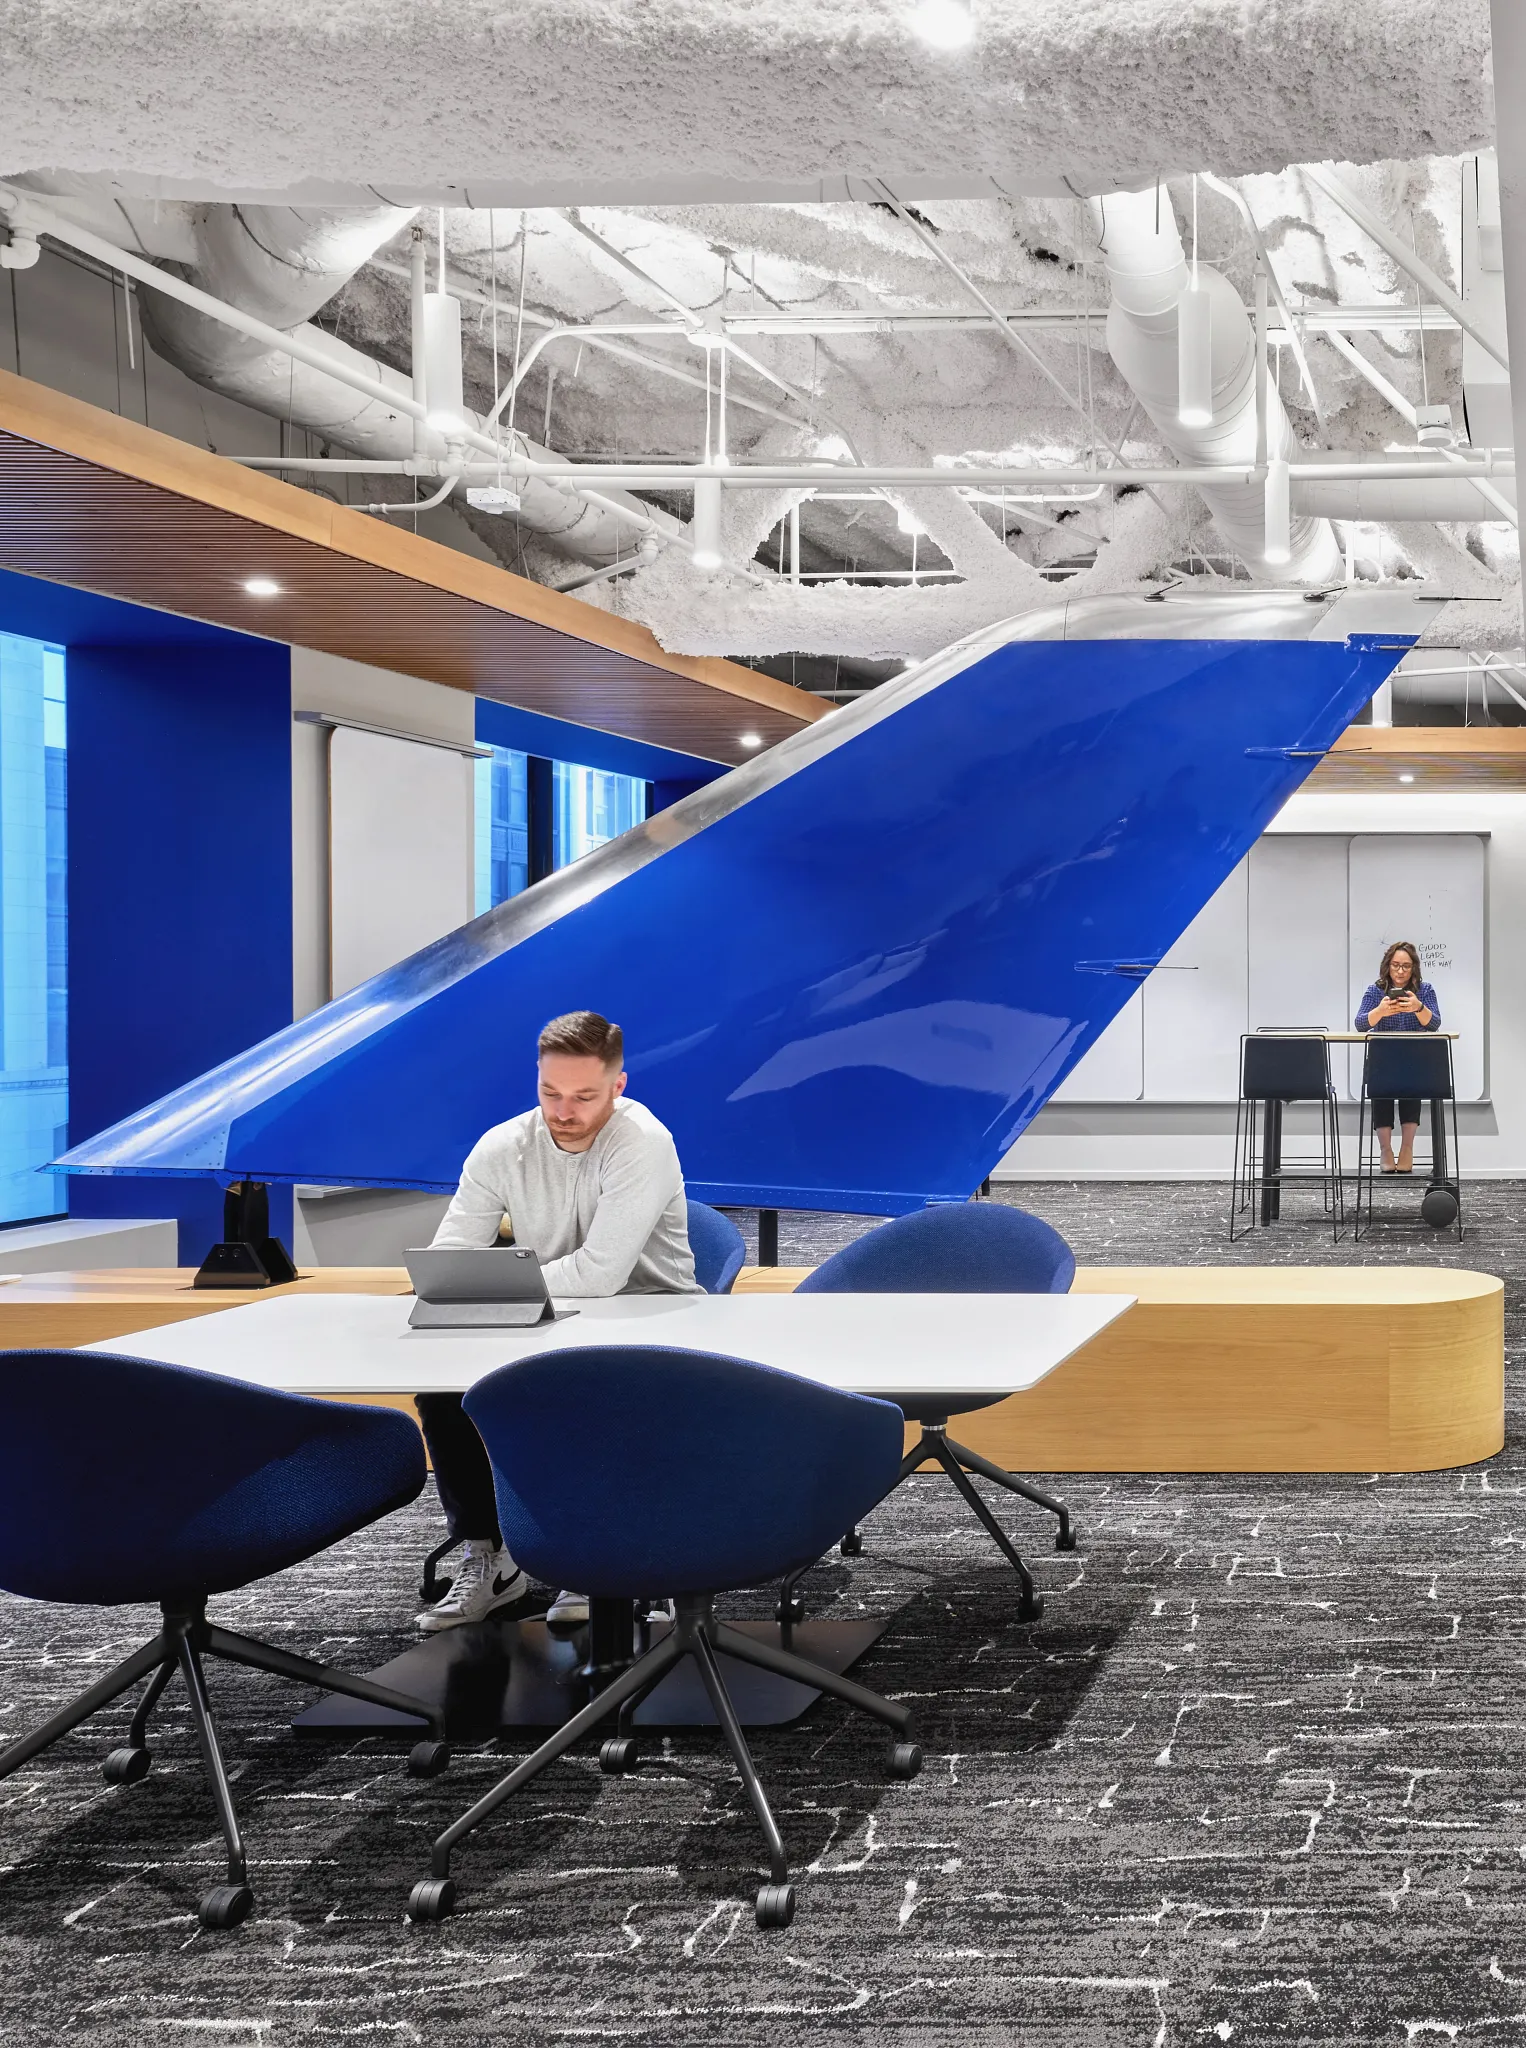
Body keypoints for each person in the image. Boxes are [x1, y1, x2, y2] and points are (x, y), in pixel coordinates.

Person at [414, 1009, 699, 1633]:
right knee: (443, 1386)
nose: (563, 1110)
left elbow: (601, 1276)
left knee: (589, 1388)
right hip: (543, 1314)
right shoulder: (501, 1146)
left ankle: (595, 1558)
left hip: (650, 1314)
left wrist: (495, 1284)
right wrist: (472, 1286)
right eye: (550, 1092)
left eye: (583, 1096)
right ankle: (491, 1558)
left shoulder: (642, 1142)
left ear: (618, 1087)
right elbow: (450, 1260)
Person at [1354, 940, 1441, 1175]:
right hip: (1383, 1058)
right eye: (1395, 966)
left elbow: (1434, 1024)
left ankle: (1407, 1148)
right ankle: (1385, 1149)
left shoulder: (1424, 990)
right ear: (1387, 966)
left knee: (1411, 1092)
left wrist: (1418, 1007)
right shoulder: (1375, 991)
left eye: (1406, 966)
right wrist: (1380, 1011)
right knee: (1381, 1092)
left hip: (1413, 1057)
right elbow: (1360, 1024)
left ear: (1414, 968)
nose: (1400, 971)